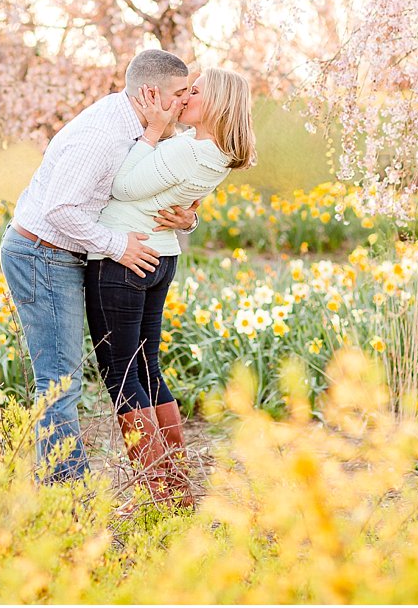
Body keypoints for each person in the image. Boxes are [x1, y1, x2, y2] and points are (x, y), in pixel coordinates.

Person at [0, 50, 200, 483]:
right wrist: (117, 247)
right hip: (41, 252)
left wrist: (189, 218)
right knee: (60, 381)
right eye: (180, 93)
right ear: (151, 93)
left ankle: (101, 486)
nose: (186, 101)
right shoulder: (103, 136)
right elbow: (60, 209)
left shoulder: (145, 129)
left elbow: (145, 190)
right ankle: (66, 495)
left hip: (68, 253)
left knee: (70, 378)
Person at [84, 68, 256, 507]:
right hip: (160, 256)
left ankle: (161, 490)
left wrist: (154, 128)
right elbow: (175, 202)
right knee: (147, 369)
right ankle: (175, 481)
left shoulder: (188, 150)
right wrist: (190, 218)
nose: (183, 98)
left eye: (193, 92)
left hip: (126, 258)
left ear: (215, 103)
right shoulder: (217, 153)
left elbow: (122, 184)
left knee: (121, 374)